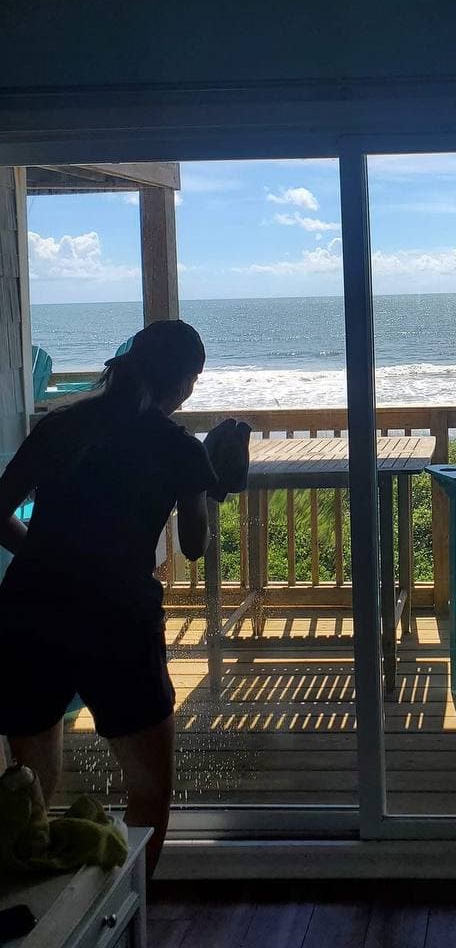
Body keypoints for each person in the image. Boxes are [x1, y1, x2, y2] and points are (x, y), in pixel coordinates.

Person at [0, 320, 248, 878]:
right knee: (149, 790)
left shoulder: (61, 426)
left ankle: (40, 909)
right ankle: (132, 913)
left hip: (30, 610)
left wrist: (44, 553)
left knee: (29, 792)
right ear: (183, 381)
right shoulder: (177, 447)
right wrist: (211, 483)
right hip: (117, 618)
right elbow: (194, 545)